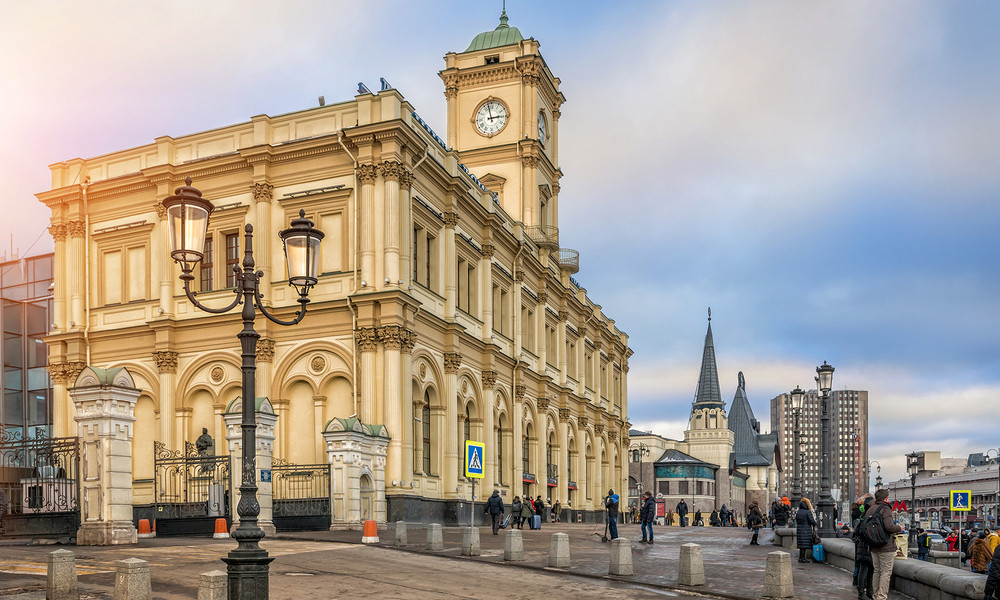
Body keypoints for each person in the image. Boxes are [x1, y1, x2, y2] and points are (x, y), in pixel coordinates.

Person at [868, 488, 903, 600]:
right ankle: (881, 597)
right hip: (885, 545)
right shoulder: (885, 508)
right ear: (886, 498)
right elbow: (889, 526)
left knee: (877, 571)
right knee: (885, 572)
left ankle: (875, 595)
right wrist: (899, 528)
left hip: (873, 545)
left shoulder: (871, 509)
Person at [852, 495, 875, 600]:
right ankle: (862, 593)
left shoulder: (863, 515)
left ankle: (868, 591)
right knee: (865, 569)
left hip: (863, 546)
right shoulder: (867, 517)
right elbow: (861, 531)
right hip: (866, 547)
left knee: (868, 569)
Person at [796, 498, 818, 563]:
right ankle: (803, 558)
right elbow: (811, 520)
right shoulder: (807, 512)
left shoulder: (799, 511)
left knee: (802, 545)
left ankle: (801, 557)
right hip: (806, 530)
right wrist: (815, 524)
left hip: (800, 529)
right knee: (804, 545)